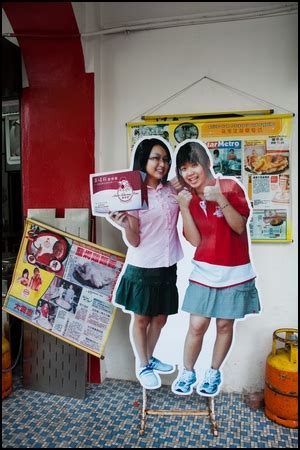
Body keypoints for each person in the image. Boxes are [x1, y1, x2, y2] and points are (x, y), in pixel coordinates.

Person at [172, 140, 260, 397]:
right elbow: (195, 240)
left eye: (194, 164)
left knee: (223, 326)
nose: (190, 172)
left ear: (206, 164)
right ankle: (188, 371)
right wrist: (183, 208)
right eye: (184, 168)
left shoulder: (230, 187)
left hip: (235, 272)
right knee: (197, 325)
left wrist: (220, 198)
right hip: (204, 271)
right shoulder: (188, 196)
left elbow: (239, 226)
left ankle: (213, 371)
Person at [109, 137, 183, 390]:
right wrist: (124, 224)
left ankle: (149, 358)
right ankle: (143, 364)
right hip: (143, 265)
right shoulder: (132, 193)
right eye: (155, 158)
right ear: (143, 160)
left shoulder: (172, 190)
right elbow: (135, 240)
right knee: (141, 320)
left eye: (165, 159)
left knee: (160, 318)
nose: (161, 164)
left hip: (168, 262)